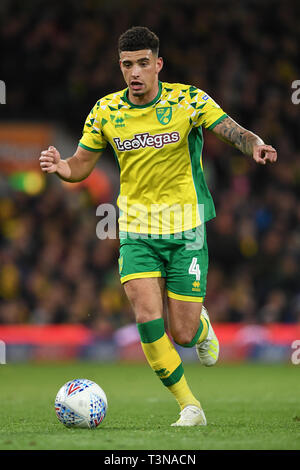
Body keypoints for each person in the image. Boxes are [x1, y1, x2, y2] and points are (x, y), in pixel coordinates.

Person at [39, 26, 277, 426]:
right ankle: (190, 406)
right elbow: (81, 163)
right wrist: (63, 167)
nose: (135, 72)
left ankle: (200, 327)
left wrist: (253, 143)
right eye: (128, 64)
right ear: (120, 66)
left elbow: (230, 129)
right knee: (146, 316)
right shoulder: (105, 111)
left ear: (158, 65)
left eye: (143, 63)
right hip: (135, 231)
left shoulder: (188, 99)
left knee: (181, 333)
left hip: (186, 229)